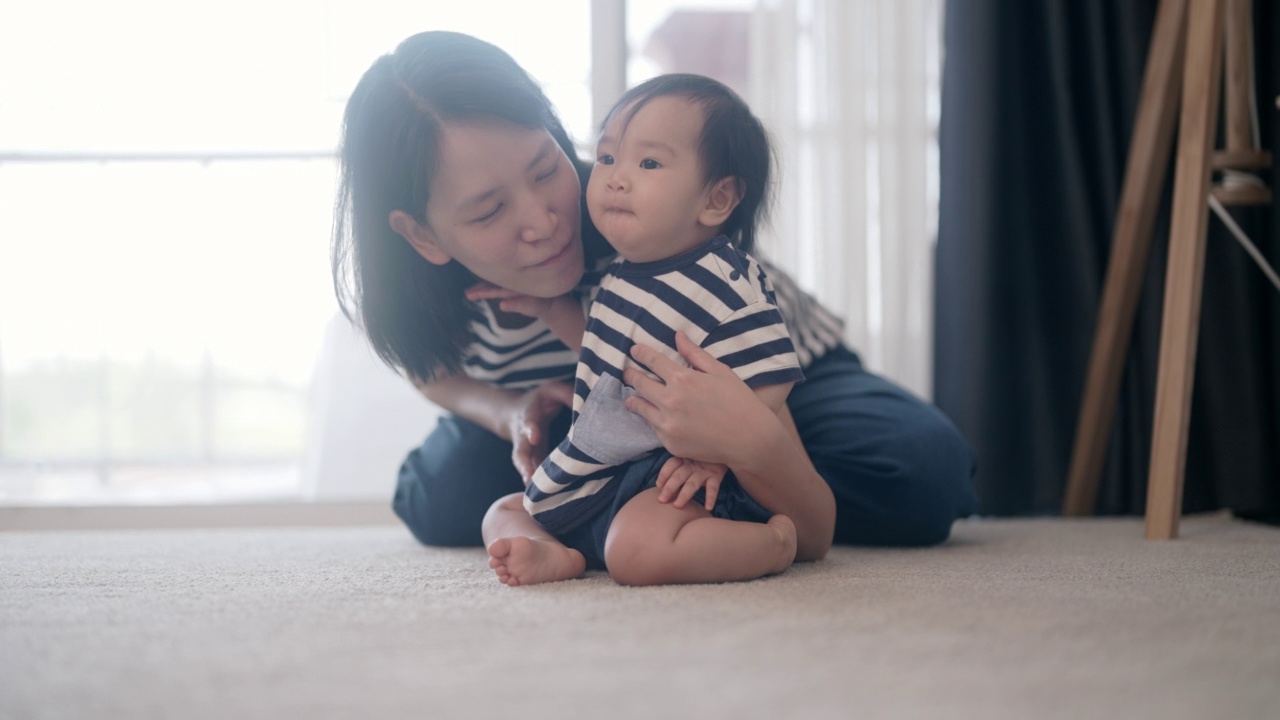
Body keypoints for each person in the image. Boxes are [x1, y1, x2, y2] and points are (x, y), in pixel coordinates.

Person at [330, 31, 978, 568]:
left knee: (920, 473)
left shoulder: (627, 207)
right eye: (491, 209)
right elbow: (431, 371)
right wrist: (505, 413)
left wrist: (746, 443)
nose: (545, 219)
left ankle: (721, 502)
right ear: (421, 235)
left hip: (762, 381)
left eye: (544, 167)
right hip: (589, 415)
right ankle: (647, 497)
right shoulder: (419, 290)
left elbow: (756, 376)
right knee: (440, 498)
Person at [474, 74, 805, 586]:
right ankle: (557, 555)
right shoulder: (620, 275)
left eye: (648, 163)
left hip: (670, 474)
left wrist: (713, 454)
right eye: (606, 158)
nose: (615, 178)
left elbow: (772, 375)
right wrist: (547, 309)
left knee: (636, 554)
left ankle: (770, 544)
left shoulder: (723, 280)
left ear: (716, 199)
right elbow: (598, 348)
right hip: (599, 467)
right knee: (503, 511)